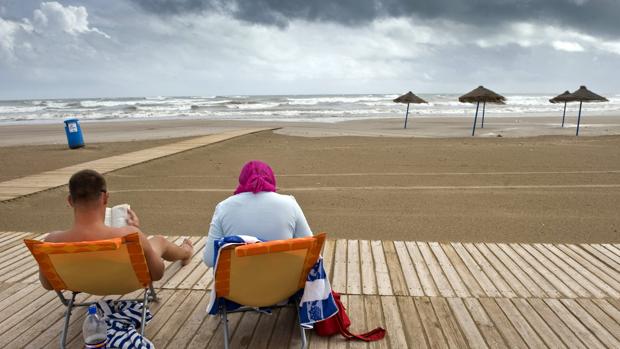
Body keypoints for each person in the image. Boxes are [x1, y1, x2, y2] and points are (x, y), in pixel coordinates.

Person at [38, 169, 193, 290]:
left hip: (81, 283)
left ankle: (185, 251)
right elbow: (157, 273)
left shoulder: (52, 241)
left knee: (149, 243)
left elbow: (48, 284)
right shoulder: (130, 235)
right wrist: (134, 231)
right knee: (159, 241)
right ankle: (186, 251)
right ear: (105, 198)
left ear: (70, 201)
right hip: (125, 282)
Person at [203, 160, 313, 267]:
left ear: (242, 180)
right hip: (284, 283)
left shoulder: (224, 207)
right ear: (271, 178)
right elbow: (312, 248)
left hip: (238, 283)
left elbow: (209, 259)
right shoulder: (290, 203)